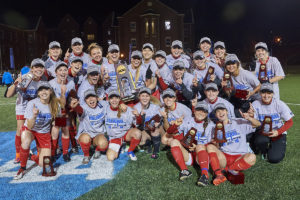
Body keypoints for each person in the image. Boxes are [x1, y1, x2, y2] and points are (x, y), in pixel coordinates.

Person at [14, 81, 60, 180]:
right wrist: (34, 116)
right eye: (41, 90)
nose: (44, 92)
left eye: (46, 89)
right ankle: (22, 168)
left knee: (43, 164)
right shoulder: (32, 103)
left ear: (50, 91)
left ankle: (31, 156)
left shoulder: (55, 104)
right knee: (26, 142)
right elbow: (30, 126)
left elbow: (59, 123)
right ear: (38, 93)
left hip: (44, 133)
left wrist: (57, 123)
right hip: (31, 130)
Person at [206, 103, 260, 186]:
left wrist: (249, 118)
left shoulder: (238, 121)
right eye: (218, 111)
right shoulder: (215, 127)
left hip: (239, 157)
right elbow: (216, 147)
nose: (221, 113)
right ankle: (219, 174)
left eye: (223, 110)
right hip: (224, 157)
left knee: (252, 157)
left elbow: (258, 124)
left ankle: (227, 170)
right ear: (216, 115)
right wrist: (215, 143)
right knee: (210, 147)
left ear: (227, 112)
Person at [6, 58, 47, 163]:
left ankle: (38, 151)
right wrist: (16, 84)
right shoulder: (25, 78)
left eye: (41, 67)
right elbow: (8, 95)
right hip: (23, 105)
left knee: (38, 128)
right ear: (32, 69)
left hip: (35, 106)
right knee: (20, 128)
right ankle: (18, 153)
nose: (39, 69)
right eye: (36, 67)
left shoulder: (44, 80)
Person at [166, 102, 215, 185]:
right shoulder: (187, 120)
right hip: (188, 154)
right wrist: (175, 125)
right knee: (173, 141)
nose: (201, 113)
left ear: (207, 114)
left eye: (204, 111)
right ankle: (184, 170)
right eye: (199, 110)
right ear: (194, 111)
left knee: (199, 146)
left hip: (201, 156)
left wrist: (197, 147)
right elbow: (169, 132)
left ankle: (204, 176)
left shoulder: (211, 125)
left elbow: (213, 145)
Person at [250, 83, 294, 163]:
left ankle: (279, 143)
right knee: (259, 141)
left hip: (277, 131)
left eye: (269, 93)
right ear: (260, 93)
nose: (266, 95)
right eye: (263, 92)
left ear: (273, 94)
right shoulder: (255, 104)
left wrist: (278, 132)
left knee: (274, 159)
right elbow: (253, 124)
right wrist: (250, 117)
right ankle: (264, 150)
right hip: (262, 131)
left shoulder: (279, 104)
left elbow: (290, 122)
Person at [69, 89, 108, 164]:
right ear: (85, 101)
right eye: (87, 98)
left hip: (98, 134)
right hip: (86, 133)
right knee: (85, 138)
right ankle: (86, 155)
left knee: (104, 144)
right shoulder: (83, 107)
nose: (90, 99)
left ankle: (97, 149)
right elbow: (79, 110)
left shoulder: (103, 104)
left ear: (97, 98)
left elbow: (114, 102)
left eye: (92, 96)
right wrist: (75, 106)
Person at [49, 61, 75, 162]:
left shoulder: (71, 83)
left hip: (65, 109)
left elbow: (72, 97)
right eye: (60, 70)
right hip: (54, 110)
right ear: (56, 72)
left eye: (65, 70)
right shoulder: (51, 83)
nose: (63, 72)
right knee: (55, 128)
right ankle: (54, 151)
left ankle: (64, 152)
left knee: (65, 129)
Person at [105, 90, 142, 161]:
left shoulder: (127, 109)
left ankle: (130, 151)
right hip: (115, 137)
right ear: (109, 100)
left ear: (119, 99)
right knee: (110, 158)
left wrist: (138, 116)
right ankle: (122, 146)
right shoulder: (105, 108)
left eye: (116, 98)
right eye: (112, 98)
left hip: (126, 134)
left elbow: (138, 123)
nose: (114, 100)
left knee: (137, 133)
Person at [133, 87, 162, 159]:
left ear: (150, 97)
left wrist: (158, 123)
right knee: (140, 142)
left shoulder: (155, 107)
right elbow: (137, 126)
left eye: (147, 96)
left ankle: (156, 151)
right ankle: (149, 143)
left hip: (155, 130)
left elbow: (159, 120)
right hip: (144, 129)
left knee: (154, 130)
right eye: (142, 96)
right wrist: (141, 118)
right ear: (139, 97)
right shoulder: (135, 108)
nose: (145, 98)